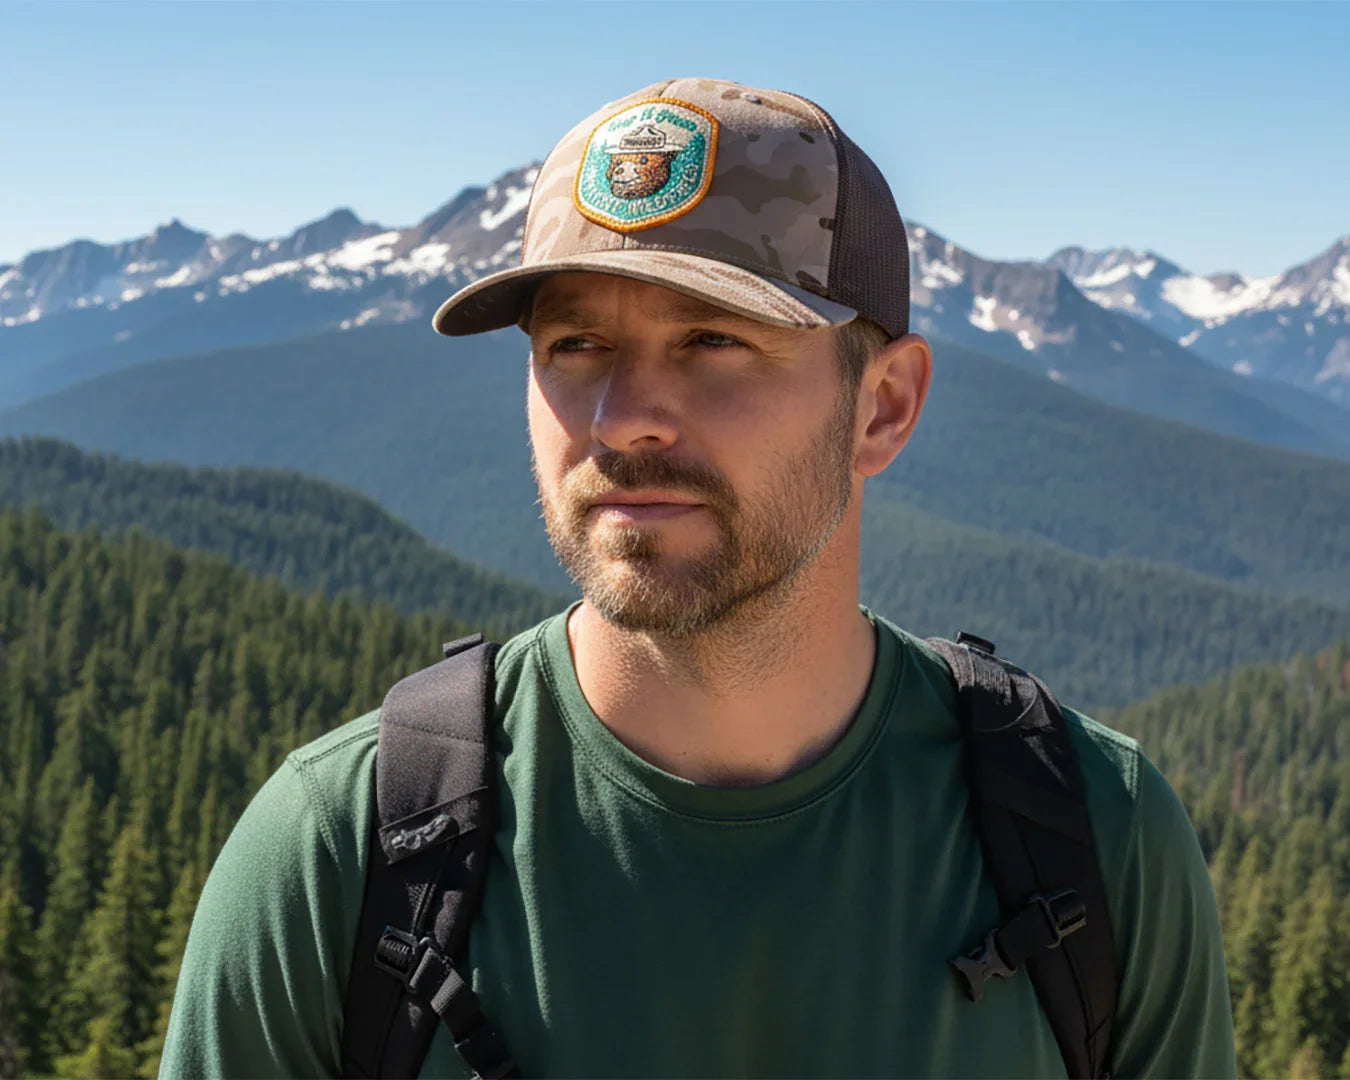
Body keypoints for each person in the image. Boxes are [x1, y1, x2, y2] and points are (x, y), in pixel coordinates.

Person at [160, 77, 1236, 1078]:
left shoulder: (1095, 836)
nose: (621, 416)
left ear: (886, 407)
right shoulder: (335, 857)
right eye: (574, 343)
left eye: (716, 338)